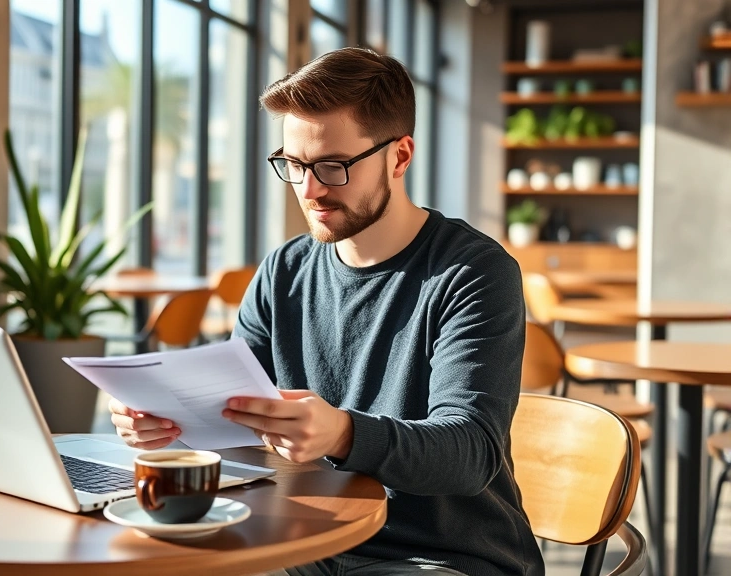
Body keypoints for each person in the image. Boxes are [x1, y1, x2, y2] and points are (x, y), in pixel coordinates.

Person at [109, 47, 545, 576]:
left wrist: (342, 433)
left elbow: (470, 452)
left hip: (440, 557)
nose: (310, 190)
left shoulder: (473, 272)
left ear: (399, 157)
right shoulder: (285, 270)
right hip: (306, 543)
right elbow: (235, 411)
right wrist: (168, 420)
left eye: (332, 167)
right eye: (294, 165)